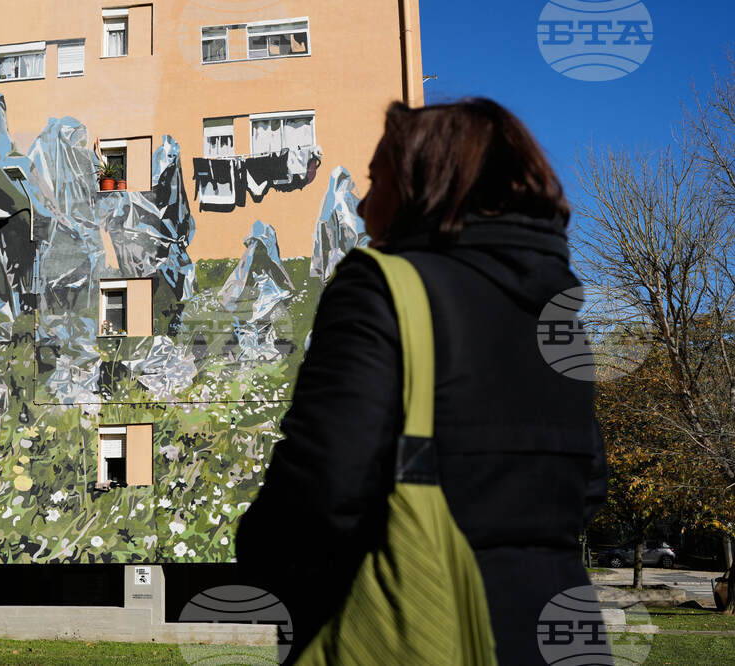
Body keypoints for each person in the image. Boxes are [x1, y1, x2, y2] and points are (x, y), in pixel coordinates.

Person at [236, 98, 608, 664]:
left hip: (417, 626)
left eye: (376, 180)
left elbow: (324, 484)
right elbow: (588, 484)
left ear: (423, 188)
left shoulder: (381, 288)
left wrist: (259, 556)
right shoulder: (555, 314)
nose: (362, 206)